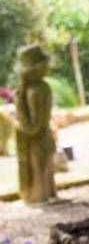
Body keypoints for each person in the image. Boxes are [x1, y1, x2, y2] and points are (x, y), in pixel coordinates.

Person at [14, 44, 55, 203]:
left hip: (37, 140)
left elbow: (33, 126)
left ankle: (39, 197)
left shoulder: (34, 91)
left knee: (38, 172)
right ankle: (47, 194)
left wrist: (19, 122)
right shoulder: (42, 88)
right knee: (45, 172)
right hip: (45, 137)